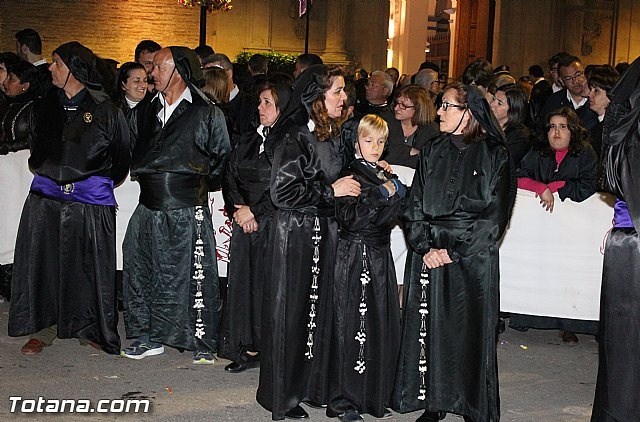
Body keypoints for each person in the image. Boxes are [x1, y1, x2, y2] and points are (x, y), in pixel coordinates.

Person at [392, 82, 514, 422]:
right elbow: (414, 202)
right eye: (440, 104)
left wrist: (453, 251)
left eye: (447, 106)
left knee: (470, 330)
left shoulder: (495, 153)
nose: (439, 112)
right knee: (429, 328)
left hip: (471, 256)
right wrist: (424, 245)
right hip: (429, 249)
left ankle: (473, 404)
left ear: (469, 113)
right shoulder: (432, 149)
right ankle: (435, 401)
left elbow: (495, 216)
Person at [7, 41, 131, 356]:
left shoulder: (107, 110)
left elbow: (120, 159)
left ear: (74, 70)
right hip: (45, 199)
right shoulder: (42, 106)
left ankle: (89, 327)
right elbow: (37, 148)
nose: (50, 68)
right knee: (44, 265)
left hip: (89, 201)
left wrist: (87, 183)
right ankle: (44, 329)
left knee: (87, 266)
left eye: (58, 64)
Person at [257, 64, 360, 420]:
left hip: (328, 235)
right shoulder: (295, 136)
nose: (344, 98)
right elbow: (283, 191)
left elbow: (346, 174)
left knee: (324, 313)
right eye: (338, 91)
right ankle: (283, 396)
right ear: (318, 98)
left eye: (344, 91)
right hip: (297, 237)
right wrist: (329, 191)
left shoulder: (335, 135)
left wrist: (378, 173)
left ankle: (317, 388)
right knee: (293, 313)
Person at [121, 46, 230, 364]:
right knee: (141, 270)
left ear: (179, 71)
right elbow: (130, 145)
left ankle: (202, 342)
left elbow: (221, 160)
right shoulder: (144, 110)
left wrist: (189, 187)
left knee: (193, 275)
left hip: (186, 208)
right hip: (148, 207)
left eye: (157, 67)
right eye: (150, 66)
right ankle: (147, 336)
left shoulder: (207, 112)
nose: (150, 72)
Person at [327, 114, 405, 422]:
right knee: (351, 325)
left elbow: (402, 205)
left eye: (381, 141)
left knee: (378, 323)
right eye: (368, 140)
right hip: (355, 254)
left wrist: (391, 187)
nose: (375, 147)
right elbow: (351, 218)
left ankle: (373, 396)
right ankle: (343, 401)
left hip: (379, 255)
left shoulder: (382, 173)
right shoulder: (348, 174)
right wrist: (383, 192)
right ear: (356, 141)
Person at [220, 78, 291, 373]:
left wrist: (255, 213)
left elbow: (283, 186)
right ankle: (248, 345)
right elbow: (230, 173)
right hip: (244, 223)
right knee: (244, 285)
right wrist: (239, 210)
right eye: (260, 102)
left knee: (268, 288)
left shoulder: (289, 142)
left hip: (272, 226)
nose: (260, 108)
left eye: (267, 103)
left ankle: (271, 348)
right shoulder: (249, 137)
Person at [590, 55, 640, 422]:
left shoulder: (623, 126)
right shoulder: (627, 131)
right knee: (626, 347)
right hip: (632, 245)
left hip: (628, 243)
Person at [517, 107, 597, 213]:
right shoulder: (538, 150)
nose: (556, 131)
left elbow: (589, 185)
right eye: (552, 126)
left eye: (563, 127)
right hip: (537, 213)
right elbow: (517, 178)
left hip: (573, 216)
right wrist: (541, 188)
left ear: (572, 132)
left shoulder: (585, 151)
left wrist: (557, 186)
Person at [385, 84, 439, 169]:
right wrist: (410, 151)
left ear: (418, 109)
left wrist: (398, 151)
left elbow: (429, 162)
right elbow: (383, 153)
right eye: (397, 103)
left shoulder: (432, 130)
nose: (396, 108)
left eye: (403, 105)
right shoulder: (386, 122)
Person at [490, 83, 532, 166]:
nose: (491, 104)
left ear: (513, 110)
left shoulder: (520, 136)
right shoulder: (486, 125)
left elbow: (503, 163)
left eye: (499, 103)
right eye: (493, 99)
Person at [586, 65, 619, 160]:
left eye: (596, 91)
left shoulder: (614, 128)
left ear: (610, 95)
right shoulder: (595, 123)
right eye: (590, 89)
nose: (589, 95)